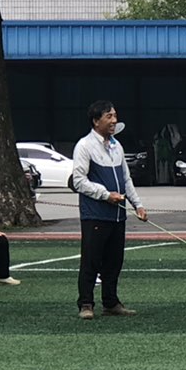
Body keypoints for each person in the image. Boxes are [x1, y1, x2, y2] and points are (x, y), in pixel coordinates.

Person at [70, 99, 148, 320]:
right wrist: (105, 194)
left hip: (118, 216)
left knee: (114, 261)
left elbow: (126, 178)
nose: (114, 120)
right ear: (96, 121)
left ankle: (111, 302)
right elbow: (78, 181)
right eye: (109, 116)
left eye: (115, 115)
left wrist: (138, 204)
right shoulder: (84, 146)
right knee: (91, 260)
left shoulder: (117, 146)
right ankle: (86, 303)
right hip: (95, 214)